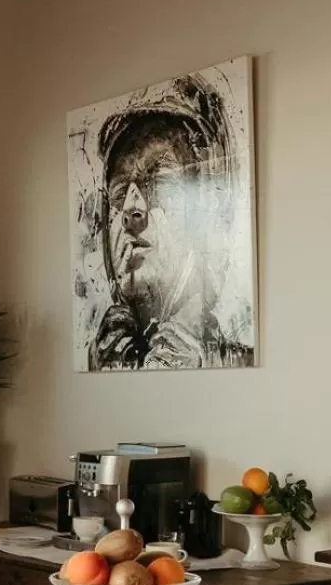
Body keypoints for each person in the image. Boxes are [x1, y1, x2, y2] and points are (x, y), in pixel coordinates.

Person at [87, 74, 253, 370]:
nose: (131, 211)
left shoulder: (237, 359)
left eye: (159, 185)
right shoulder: (100, 355)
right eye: (120, 192)